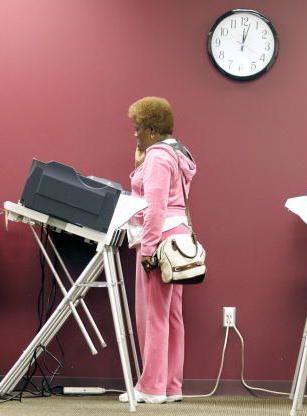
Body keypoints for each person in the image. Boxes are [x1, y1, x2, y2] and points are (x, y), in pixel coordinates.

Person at [119, 96, 197, 404]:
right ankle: (171, 386)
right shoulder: (178, 154)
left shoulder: (157, 158)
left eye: (138, 128)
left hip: (160, 239)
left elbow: (153, 207)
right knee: (172, 316)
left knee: (152, 316)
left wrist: (148, 249)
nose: (135, 134)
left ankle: (151, 387)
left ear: (151, 129)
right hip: (178, 239)